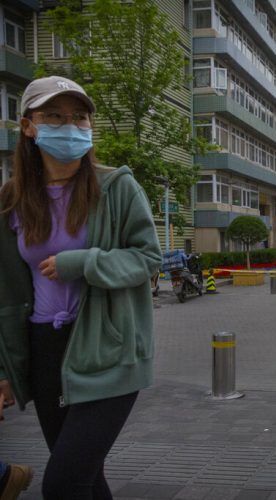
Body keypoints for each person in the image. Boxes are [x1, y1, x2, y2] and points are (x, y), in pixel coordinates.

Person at [0, 75, 162, 499]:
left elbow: (147, 259)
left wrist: (84, 263)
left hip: (107, 349)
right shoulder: (12, 198)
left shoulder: (117, 187)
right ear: (29, 126)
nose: (69, 126)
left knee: (63, 483)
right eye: (54, 115)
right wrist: (5, 369)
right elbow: (6, 291)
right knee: (86, 482)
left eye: (79, 117)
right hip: (44, 352)